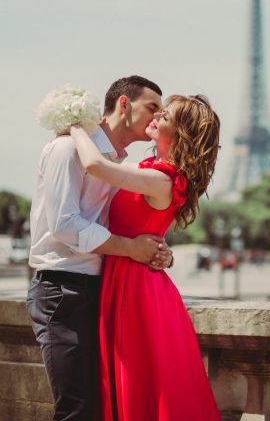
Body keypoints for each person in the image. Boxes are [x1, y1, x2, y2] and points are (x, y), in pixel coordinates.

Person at [27, 75, 173, 421]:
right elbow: (65, 225)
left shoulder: (113, 164)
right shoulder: (66, 149)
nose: (157, 117)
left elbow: (120, 225)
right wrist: (131, 249)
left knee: (98, 408)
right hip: (63, 291)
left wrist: (157, 250)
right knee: (76, 410)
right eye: (152, 107)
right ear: (124, 104)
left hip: (97, 291)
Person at [69, 93, 222, 421]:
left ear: (180, 132)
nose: (156, 116)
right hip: (136, 282)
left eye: (165, 115)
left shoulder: (161, 178)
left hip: (136, 290)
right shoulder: (156, 174)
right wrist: (163, 252)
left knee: (140, 382)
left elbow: (94, 165)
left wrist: (74, 126)